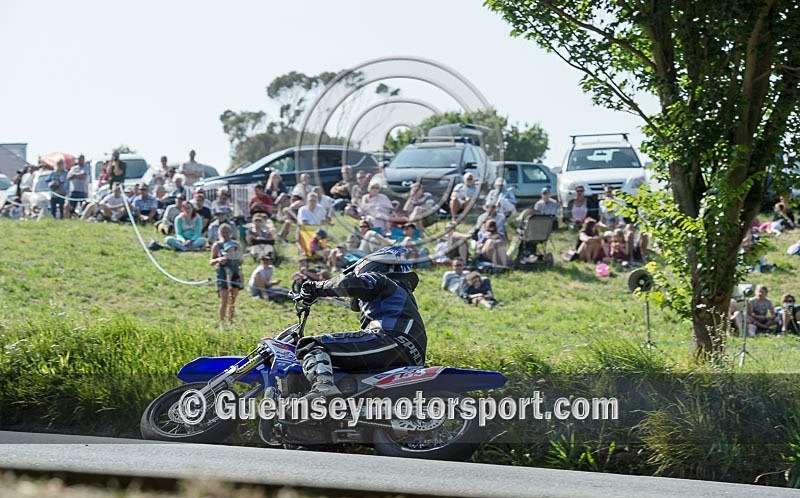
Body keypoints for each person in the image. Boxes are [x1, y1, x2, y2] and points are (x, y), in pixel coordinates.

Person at [295, 245, 426, 400]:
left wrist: (316, 286)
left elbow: (349, 283)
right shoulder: (400, 294)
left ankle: (323, 388)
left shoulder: (380, 280)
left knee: (311, 344)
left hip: (390, 340)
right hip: (412, 355)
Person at [210, 224, 244, 323]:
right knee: (224, 299)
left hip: (235, 271)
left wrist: (239, 259)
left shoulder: (236, 245)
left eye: (227, 232)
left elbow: (241, 259)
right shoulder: (217, 245)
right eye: (223, 232)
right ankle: (222, 321)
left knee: (232, 300)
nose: (225, 234)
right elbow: (211, 261)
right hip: (222, 273)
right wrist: (218, 259)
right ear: (220, 233)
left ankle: (231, 320)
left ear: (231, 233)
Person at [65, 154, 90, 219]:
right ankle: (69, 218)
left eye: (81, 159)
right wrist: (77, 175)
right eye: (79, 159)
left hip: (83, 191)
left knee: (83, 206)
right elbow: (69, 177)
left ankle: (83, 218)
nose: (80, 160)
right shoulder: (73, 168)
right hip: (73, 190)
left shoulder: (86, 167)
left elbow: (83, 176)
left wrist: (75, 175)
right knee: (71, 207)